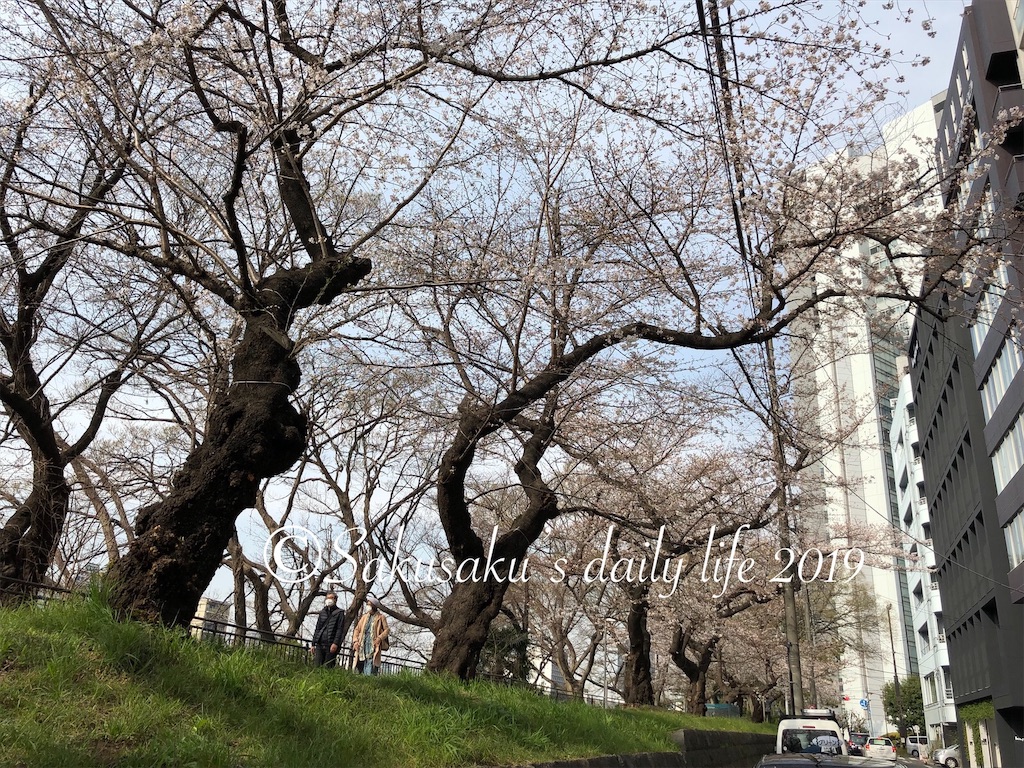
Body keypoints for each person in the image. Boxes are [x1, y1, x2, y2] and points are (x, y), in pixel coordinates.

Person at [351, 596, 390, 675]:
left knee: (371, 662)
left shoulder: (381, 617)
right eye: (367, 604)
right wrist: (355, 641)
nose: (367, 606)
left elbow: (387, 630)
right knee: (360, 663)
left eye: (369, 604)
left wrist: (379, 638)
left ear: (374, 606)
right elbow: (357, 629)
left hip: (373, 644)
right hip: (362, 644)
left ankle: (370, 680)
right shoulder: (364, 617)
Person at [309, 592, 346, 667]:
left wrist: (335, 643)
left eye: (331, 598)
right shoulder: (323, 612)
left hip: (331, 644)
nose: (329, 600)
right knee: (317, 666)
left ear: (335, 600)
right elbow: (318, 628)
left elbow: (340, 629)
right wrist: (313, 643)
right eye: (327, 598)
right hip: (320, 643)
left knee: (328, 666)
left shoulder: (339, 613)